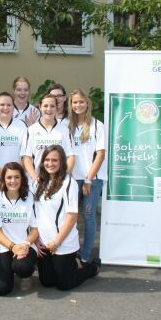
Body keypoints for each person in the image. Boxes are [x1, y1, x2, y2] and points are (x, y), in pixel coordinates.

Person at [34, 145, 100, 290]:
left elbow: (72, 217)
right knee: (47, 282)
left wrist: (56, 242)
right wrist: (36, 240)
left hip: (63, 243)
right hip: (44, 243)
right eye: (47, 160)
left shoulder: (69, 183)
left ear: (62, 162)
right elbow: (33, 215)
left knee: (64, 284)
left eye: (54, 160)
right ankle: (72, 265)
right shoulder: (38, 183)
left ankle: (92, 268)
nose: (50, 163)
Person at [68, 89, 106, 263]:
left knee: (89, 216)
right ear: (71, 105)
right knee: (70, 217)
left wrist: (88, 179)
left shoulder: (97, 125)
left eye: (81, 102)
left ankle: (84, 256)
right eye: (75, 102)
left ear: (87, 103)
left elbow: (100, 155)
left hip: (92, 179)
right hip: (71, 179)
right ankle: (71, 253)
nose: (78, 105)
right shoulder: (67, 126)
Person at [0, 162, 39, 296]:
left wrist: (25, 244)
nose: (13, 181)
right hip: (4, 246)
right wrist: (13, 247)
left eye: (17, 177)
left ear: (22, 179)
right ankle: (5, 269)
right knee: (1, 289)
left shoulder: (30, 197)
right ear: (3, 179)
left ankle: (25, 275)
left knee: (22, 267)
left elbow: (35, 230)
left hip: (25, 246)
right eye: (9, 177)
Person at [21, 94, 74, 184]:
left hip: (59, 182)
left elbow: (71, 157)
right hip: (37, 182)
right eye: (45, 106)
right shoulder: (31, 130)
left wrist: (62, 177)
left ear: (56, 108)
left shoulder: (64, 130)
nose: (49, 109)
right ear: (40, 107)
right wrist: (35, 177)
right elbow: (27, 158)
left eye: (52, 106)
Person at [0, 92, 28, 196]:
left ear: (13, 107)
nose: (5, 108)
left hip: (15, 184)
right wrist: (3, 173)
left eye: (9, 105)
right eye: (2, 104)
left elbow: (26, 155)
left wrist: (13, 174)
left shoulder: (22, 126)